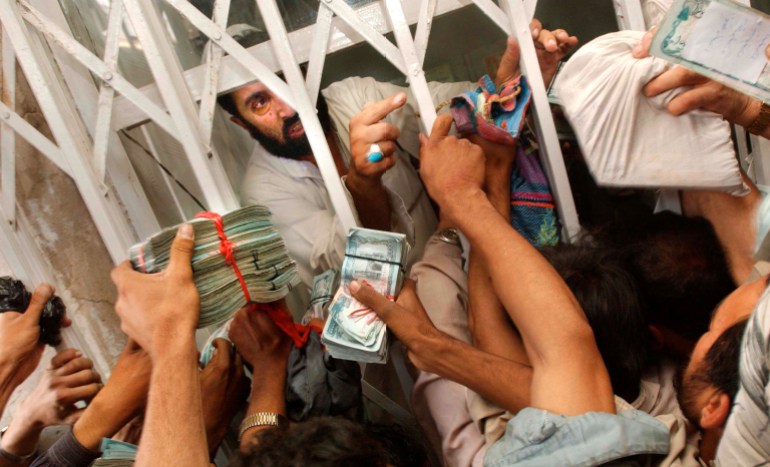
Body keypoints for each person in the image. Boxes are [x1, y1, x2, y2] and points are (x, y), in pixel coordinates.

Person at [218, 20, 577, 287]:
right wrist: (361, 184)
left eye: (285, 79)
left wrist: (512, 89)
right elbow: (339, 265)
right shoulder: (263, 191)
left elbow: (440, 109)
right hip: (395, 334)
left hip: (461, 273)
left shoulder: (352, 96)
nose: (287, 106)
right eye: (260, 102)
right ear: (242, 124)